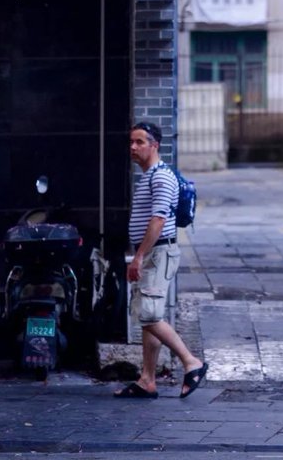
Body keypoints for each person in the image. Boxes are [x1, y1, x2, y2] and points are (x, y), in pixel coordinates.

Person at [114, 121, 208, 400]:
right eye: (131, 142)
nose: (133, 147)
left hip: (157, 254)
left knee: (150, 315)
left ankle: (192, 362)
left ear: (155, 145)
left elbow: (158, 220)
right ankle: (147, 380)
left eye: (140, 142)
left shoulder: (161, 177)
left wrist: (139, 257)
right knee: (147, 316)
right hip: (154, 253)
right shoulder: (150, 175)